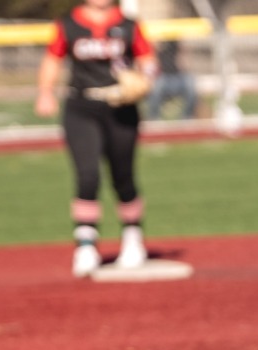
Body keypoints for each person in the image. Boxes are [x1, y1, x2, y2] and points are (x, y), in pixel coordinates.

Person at [35, 0, 157, 277]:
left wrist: (145, 79)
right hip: (82, 107)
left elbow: (148, 60)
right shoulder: (68, 24)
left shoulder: (127, 24)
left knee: (123, 176)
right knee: (87, 174)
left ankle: (132, 237)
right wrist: (45, 91)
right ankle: (86, 245)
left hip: (121, 108)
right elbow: (52, 58)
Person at [146, 39, 198, 120]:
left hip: (177, 76)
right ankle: (154, 117)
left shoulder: (175, 39)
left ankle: (188, 117)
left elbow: (186, 56)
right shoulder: (156, 39)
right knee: (156, 86)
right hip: (162, 76)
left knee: (190, 82)